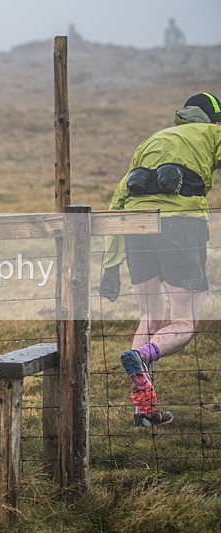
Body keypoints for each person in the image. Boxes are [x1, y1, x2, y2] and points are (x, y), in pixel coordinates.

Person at [100, 92, 221, 428]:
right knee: (184, 321)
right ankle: (142, 356)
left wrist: (110, 265)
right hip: (180, 226)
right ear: (214, 119)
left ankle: (143, 409)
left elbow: (119, 198)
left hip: (136, 226)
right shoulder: (214, 134)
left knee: (150, 315)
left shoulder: (153, 139)